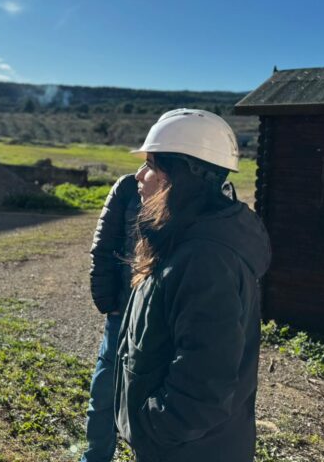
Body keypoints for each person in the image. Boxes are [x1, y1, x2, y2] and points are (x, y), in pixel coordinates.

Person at [114, 109, 271, 462]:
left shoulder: (206, 259)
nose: (139, 175)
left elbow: (204, 387)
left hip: (187, 451)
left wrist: (152, 429)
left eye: (152, 165)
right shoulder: (182, 237)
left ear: (183, 177)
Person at [81, 173, 140, 462]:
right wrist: (109, 302)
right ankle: (95, 457)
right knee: (104, 393)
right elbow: (103, 246)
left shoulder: (192, 195)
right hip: (123, 311)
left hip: (165, 319)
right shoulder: (129, 186)